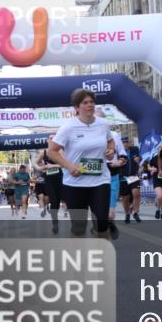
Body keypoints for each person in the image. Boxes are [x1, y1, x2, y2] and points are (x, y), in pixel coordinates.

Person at [47, 88, 116, 238]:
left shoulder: (103, 124)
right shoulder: (68, 127)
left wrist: (111, 150)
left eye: (92, 102)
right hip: (75, 183)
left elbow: (110, 141)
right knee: (79, 228)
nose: (90, 105)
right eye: (85, 103)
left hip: (100, 180)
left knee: (102, 223)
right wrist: (70, 166)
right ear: (77, 107)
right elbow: (51, 151)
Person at [35, 138, 64, 233]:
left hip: (59, 179)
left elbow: (65, 164)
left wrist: (53, 166)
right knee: (53, 200)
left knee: (57, 202)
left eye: (54, 138)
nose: (52, 140)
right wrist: (41, 167)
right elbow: (35, 163)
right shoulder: (44, 152)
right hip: (48, 180)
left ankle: (55, 219)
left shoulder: (60, 151)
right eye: (50, 138)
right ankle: (55, 222)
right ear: (48, 141)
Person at [119, 152, 143, 224]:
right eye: (124, 142)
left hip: (134, 177)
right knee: (125, 198)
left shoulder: (134, 149)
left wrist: (138, 158)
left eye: (127, 141)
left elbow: (140, 157)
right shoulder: (118, 151)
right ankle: (127, 214)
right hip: (123, 178)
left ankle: (135, 213)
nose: (126, 143)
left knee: (136, 193)